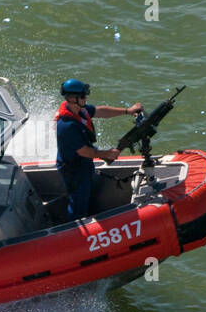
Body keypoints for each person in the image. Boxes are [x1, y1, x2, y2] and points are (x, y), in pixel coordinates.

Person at [54, 78, 142, 222]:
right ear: (71, 98)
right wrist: (106, 154)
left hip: (83, 163)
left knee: (86, 194)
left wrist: (127, 111)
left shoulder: (80, 110)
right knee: (78, 202)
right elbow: (83, 151)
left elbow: (100, 111)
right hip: (74, 169)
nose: (86, 98)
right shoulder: (67, 125)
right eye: (82, 96)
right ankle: (76, 229)